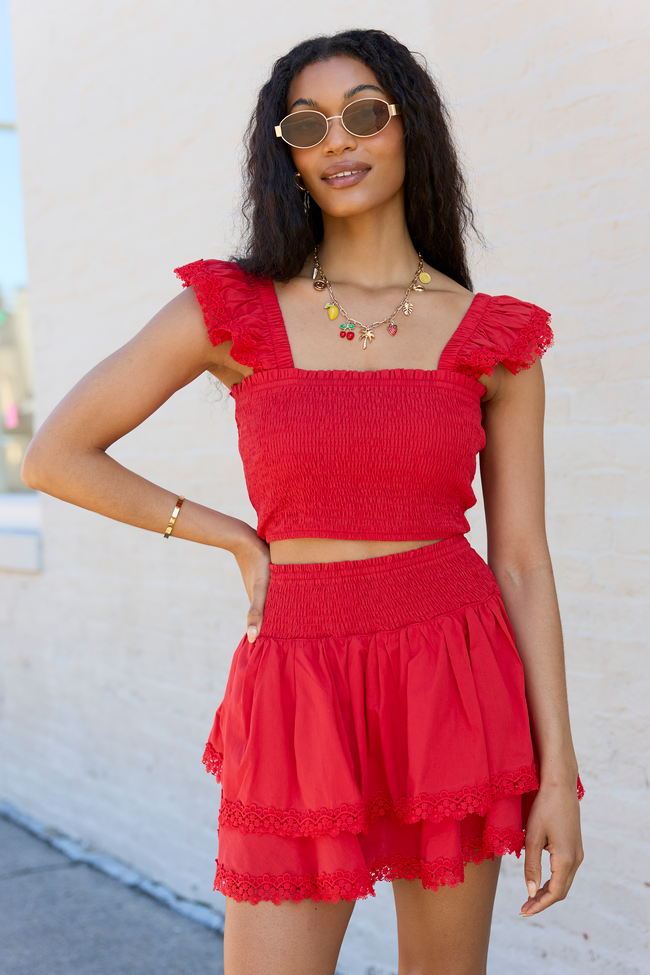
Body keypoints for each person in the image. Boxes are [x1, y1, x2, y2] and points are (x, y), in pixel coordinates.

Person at [22, 28, 584, 975]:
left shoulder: (493, 338)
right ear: (285, 150)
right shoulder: (234, 309)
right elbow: (57, 453)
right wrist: (233, 538)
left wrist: (558, 777)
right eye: (308, 123)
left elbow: (522, 559)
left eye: (365, 112)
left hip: (452, 672)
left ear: (412, 131)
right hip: (297, 681)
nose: (339, 140)